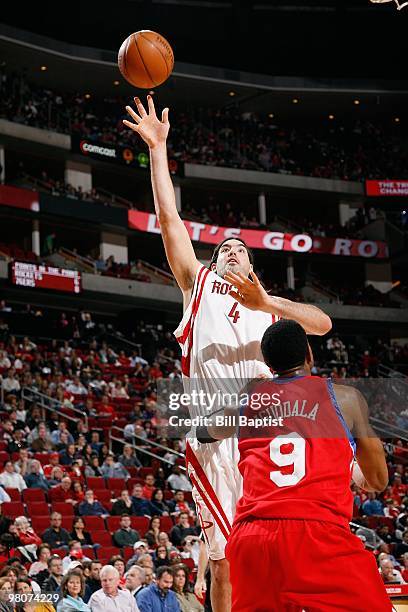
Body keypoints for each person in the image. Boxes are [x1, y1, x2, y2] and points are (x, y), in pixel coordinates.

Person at [124, 94, 331, 612]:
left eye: (240, 248)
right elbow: (169, 218)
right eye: (224, 248)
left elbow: (324, 325)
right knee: (224, 559)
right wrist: (157, 150)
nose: (232, 249)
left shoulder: (270, 307)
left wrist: (270, 300)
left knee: (271, 553)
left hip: (264, 438)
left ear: (252, 262)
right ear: (215, 263)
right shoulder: (200, 284)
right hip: (216, 433)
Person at [202, 319, 392, 611]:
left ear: (267, 363)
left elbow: (206, 429)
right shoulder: (345, 398)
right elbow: (378, 480)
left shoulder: (249, 398)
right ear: (309, 355)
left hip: (253, 538)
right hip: (316, 535)